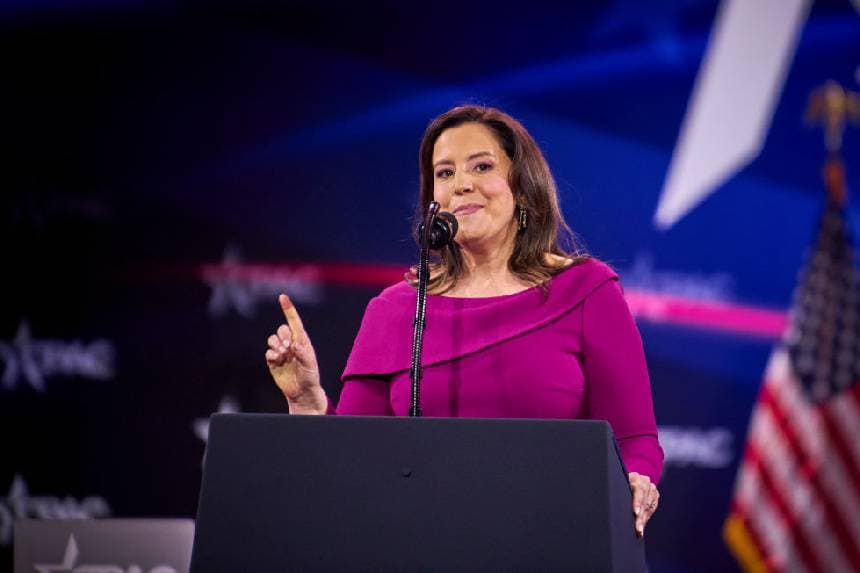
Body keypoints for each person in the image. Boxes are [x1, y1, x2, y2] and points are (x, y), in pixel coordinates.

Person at [265, 105, 663, 536]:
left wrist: (636, 480)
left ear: (523, 189)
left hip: (554, 538)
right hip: (418, 544)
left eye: (482, 166)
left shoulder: (585, 290)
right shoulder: (396, 309)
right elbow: (355, 459)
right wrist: (307, 401)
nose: (462, 184)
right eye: (445, 173)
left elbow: (634, 439)